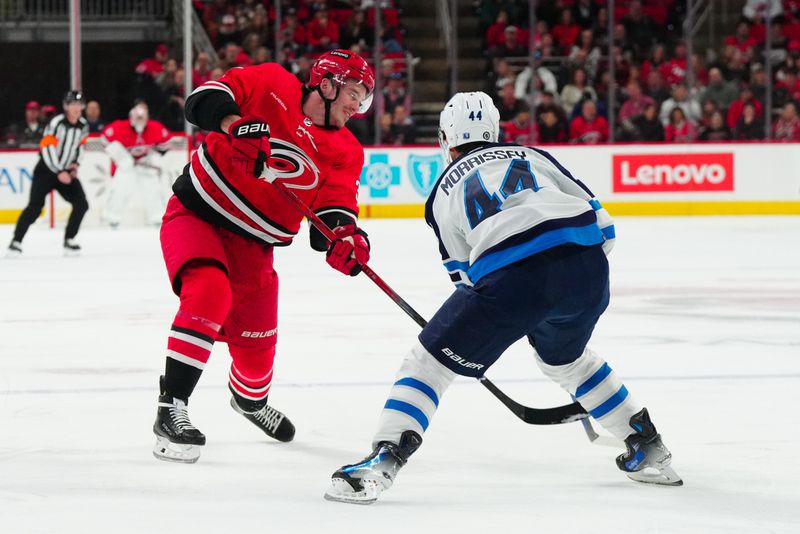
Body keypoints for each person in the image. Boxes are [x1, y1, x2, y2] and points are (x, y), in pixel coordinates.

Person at [324, 91, 682, 505]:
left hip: (515, 280)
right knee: (567, 359)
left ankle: (381, 463)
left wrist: (474, 330)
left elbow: (465, 278)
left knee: (428, 363)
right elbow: (604, 224)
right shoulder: (533, 155)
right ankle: (647, 446)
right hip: (588, 271)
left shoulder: (443, 189)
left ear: (447, 139)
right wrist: (566, 279)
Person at [152, 49, 375, 463]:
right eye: (353, 92)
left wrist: (345, 239)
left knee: (257, 355)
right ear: (326, 84)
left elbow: (334, 209)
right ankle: (171, 408)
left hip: (255, 249)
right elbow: (201, 99)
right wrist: (234, 123)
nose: (357, 104)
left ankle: (249, 402)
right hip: (197, 214)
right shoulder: (271, 84)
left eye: (363, 96)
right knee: (208, 293)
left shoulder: (346, 151)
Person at [7, 91, 89, 257]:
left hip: (65, 171)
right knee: (35, 207)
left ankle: (69, 240)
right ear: (66, 106)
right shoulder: (56, 122)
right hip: (46, 170)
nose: (76, 107)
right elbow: (47, 148)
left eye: (78, 104)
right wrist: (58, 170)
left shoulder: (83, 125)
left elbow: (80, 147)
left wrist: (74, 166)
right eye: (72, 104)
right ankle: (16, 242)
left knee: (81, 204)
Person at [101, 102, 172, 227]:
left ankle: (157, 219)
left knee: (153, 191)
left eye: (142, 118)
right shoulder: (119, 127)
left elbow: (167, 144)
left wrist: (153, 156)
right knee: (119, 189)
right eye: (137, 118)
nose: (140, 121)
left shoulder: (155, 127)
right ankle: (111, 218)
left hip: (146, 166)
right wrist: (120, 155)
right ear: (131, 118)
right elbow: (104, 140)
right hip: (127, 167)